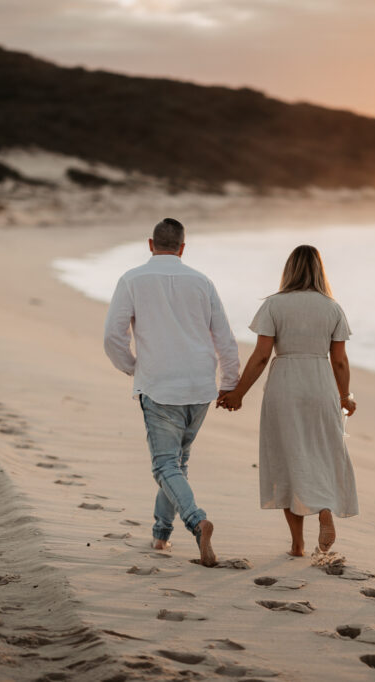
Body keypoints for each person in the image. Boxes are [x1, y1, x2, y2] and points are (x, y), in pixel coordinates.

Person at [103, 218, 239, 567]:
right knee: (177, 462)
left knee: (165, 464)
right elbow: (224, 337)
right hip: (199, 385)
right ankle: (161, 535)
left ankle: (196, 521)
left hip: (160, 384)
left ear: (151, 244)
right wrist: (229, 383)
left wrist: (133, 367)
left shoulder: (132, 279)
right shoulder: (202, 281)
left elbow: (113, 336)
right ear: (182, 247)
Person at [218, 245, 358, 556]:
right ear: (320, 270)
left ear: (289, 269)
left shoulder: (274, 305)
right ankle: (323, 508)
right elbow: (339, 361)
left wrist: (238, 393)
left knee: (287, 458)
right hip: (320, 384)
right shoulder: (332, 308)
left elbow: (262, 356)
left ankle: (297, 544)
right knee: (321, 453)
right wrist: (344, 395)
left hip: (285, 384)